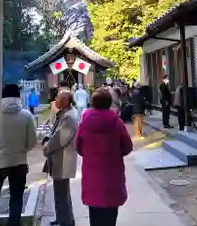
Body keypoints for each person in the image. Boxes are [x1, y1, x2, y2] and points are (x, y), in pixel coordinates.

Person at [76, 88, 133, 226]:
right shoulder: (116, 122)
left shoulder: (85, 122)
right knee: (111, 213)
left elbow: (78, 146)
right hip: (112, 170)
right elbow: (127, 146)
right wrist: (115, 153)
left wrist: (90, 154)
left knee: (94, 212)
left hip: (92, 171)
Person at [0, 83, 37, 226]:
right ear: (18, 96)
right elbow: (32, 141)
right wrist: (23, 150)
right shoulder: (27, 115)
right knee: (16, 197)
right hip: (19, 161)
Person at [43, 90, 77, 226]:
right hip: (59, 158)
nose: (55, 100)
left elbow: (60, 138)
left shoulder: (68, 116)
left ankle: (66, 221)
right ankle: (62, 217)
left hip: (63, 159)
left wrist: (47, 147)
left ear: (64, 101)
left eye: (58, 98)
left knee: (62, 192)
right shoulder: (64, 114)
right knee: (60, 192)